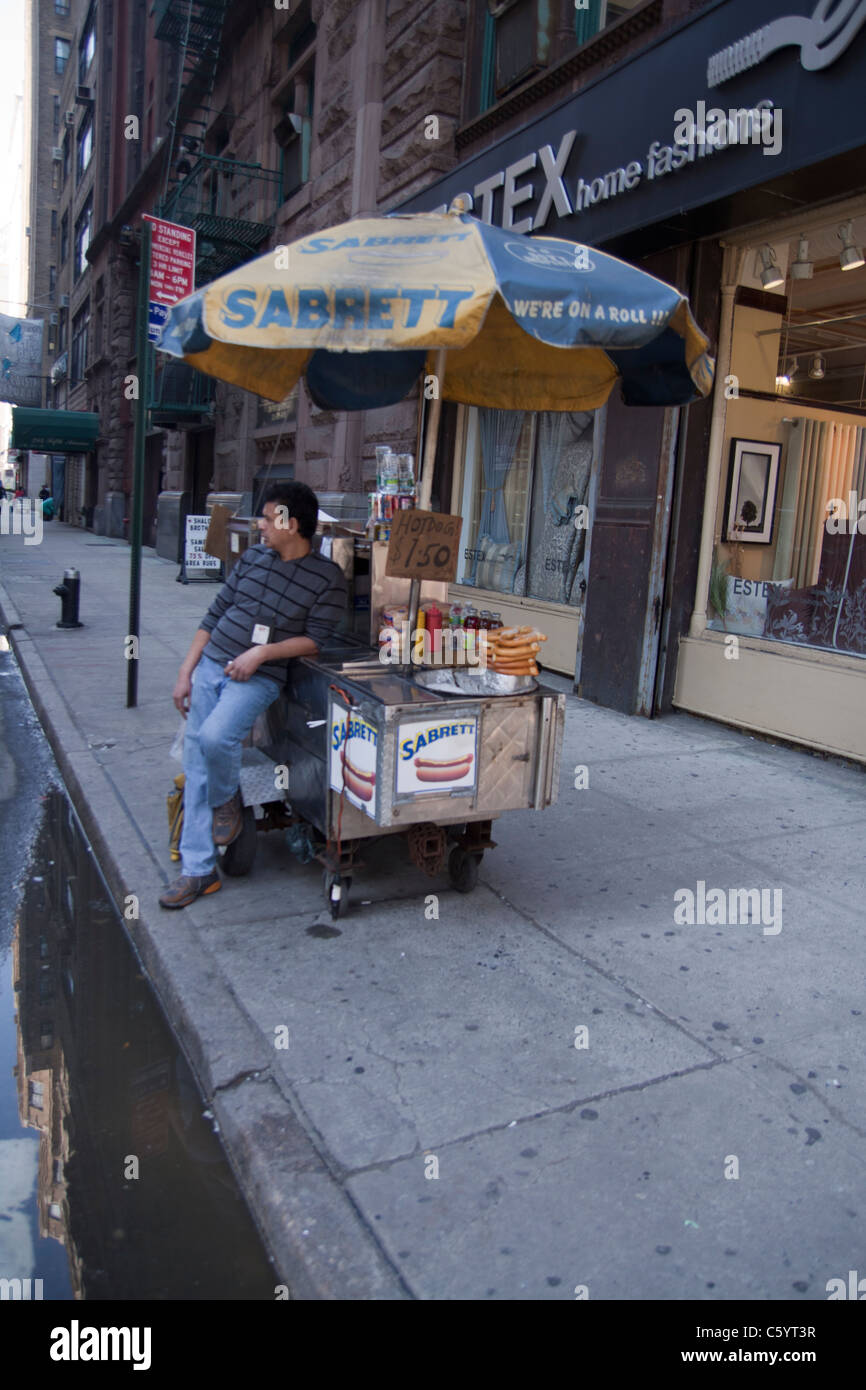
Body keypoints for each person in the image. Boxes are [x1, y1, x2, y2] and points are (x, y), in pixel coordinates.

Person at [159, 481, 347, 909]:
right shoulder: (253, 557)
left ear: (291, 523)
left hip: (259, 678)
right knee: (196, 763)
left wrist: (262, 653)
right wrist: (186, 671)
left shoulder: (327, 578)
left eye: (266, 517)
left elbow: (315, 640)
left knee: (213, 740)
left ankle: (227, 799)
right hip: (210, 666)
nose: (259, 525)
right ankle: (198, 871)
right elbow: (214, 614)